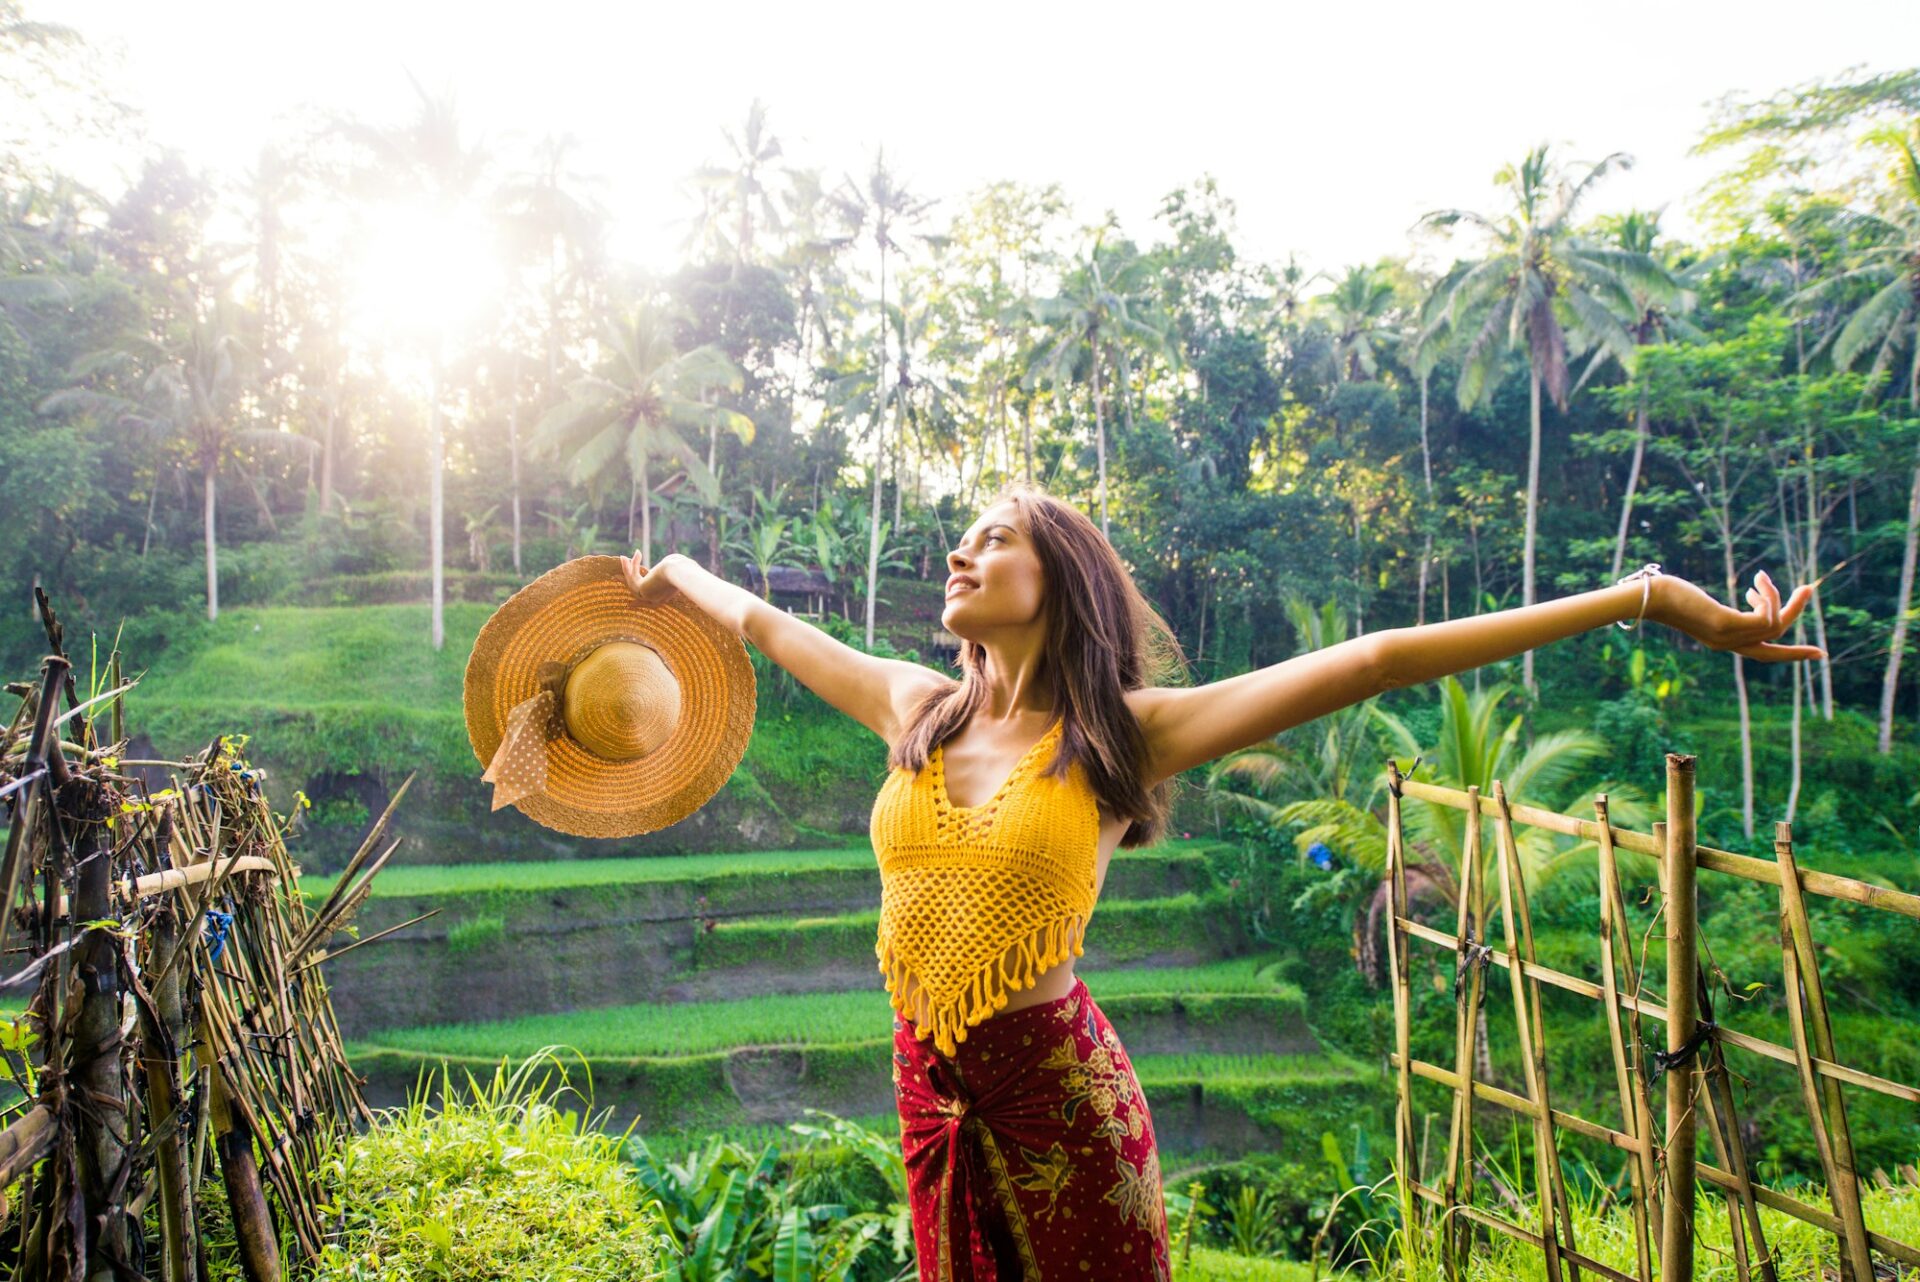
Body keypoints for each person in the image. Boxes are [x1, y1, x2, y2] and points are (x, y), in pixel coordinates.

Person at [622, 480, 1818, 1281]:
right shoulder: (913, 706)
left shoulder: (1123, 733)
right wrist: (673, 568)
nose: (962, 550)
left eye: (996, 538)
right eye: (965, 536)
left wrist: (1652, 598)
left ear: (1063, 579)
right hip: (932, 1094)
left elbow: (1377, 658)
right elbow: (770, 628)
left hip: (1063, 1106)